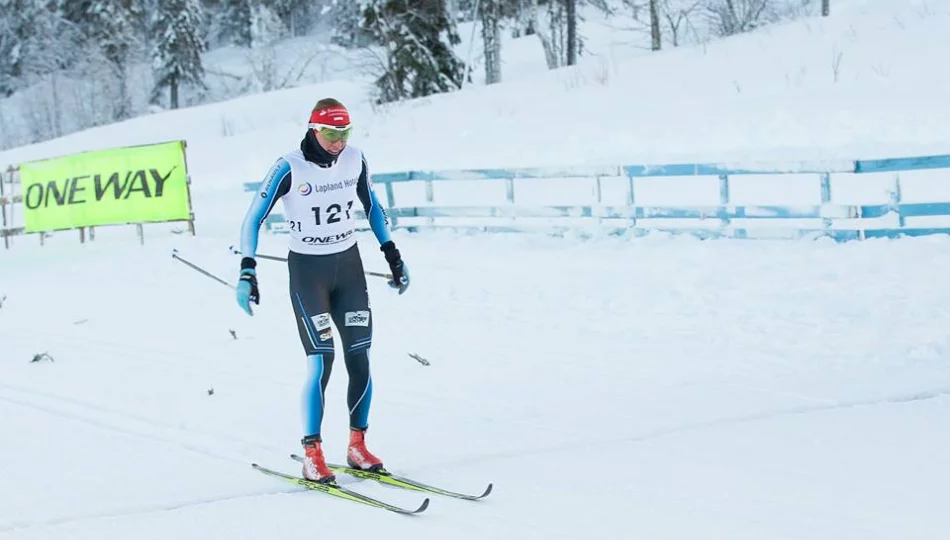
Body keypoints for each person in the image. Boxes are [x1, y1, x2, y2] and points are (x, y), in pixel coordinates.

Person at [235, 97, 410, 484]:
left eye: (344, 133)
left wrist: (393, 256)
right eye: (331, 133)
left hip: (348, 268)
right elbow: (252, 220)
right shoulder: (288, 166)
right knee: (322, 360)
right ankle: (312, 453)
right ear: (315, 129)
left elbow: (374, 208)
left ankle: (357, 444)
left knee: (360, 354)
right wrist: (248, 270)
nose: (338, 142)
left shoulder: (356, 158)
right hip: (308, 272)